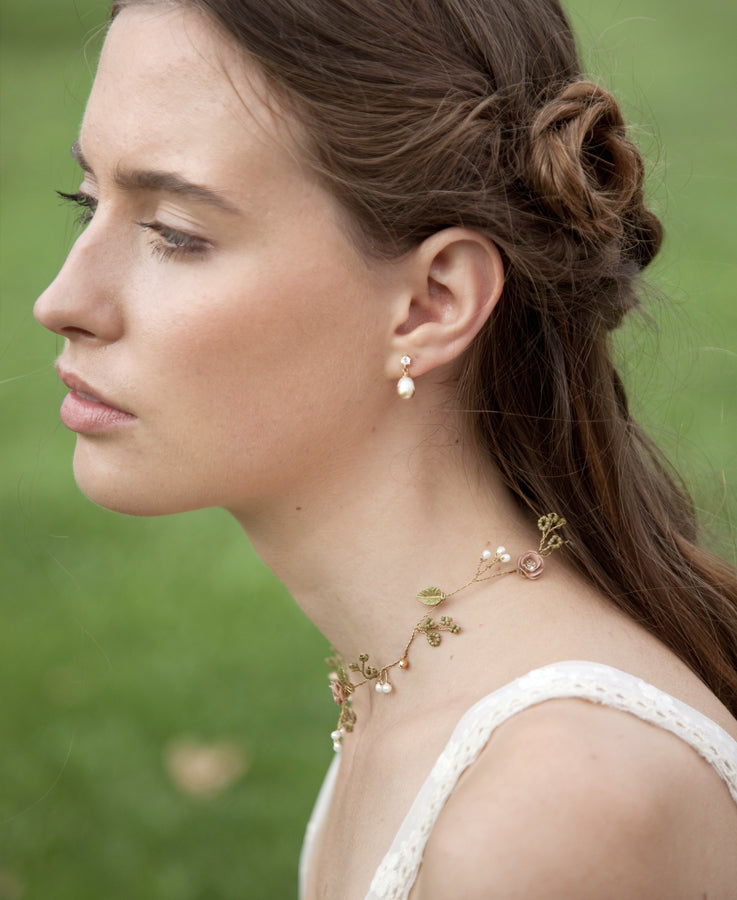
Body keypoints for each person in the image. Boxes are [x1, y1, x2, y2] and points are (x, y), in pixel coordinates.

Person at [34, 0, 737, 896]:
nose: (61, 300)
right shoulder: (404, 679)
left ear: (432, 303)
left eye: (175, 232)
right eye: (85, 202)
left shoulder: (555, 803)